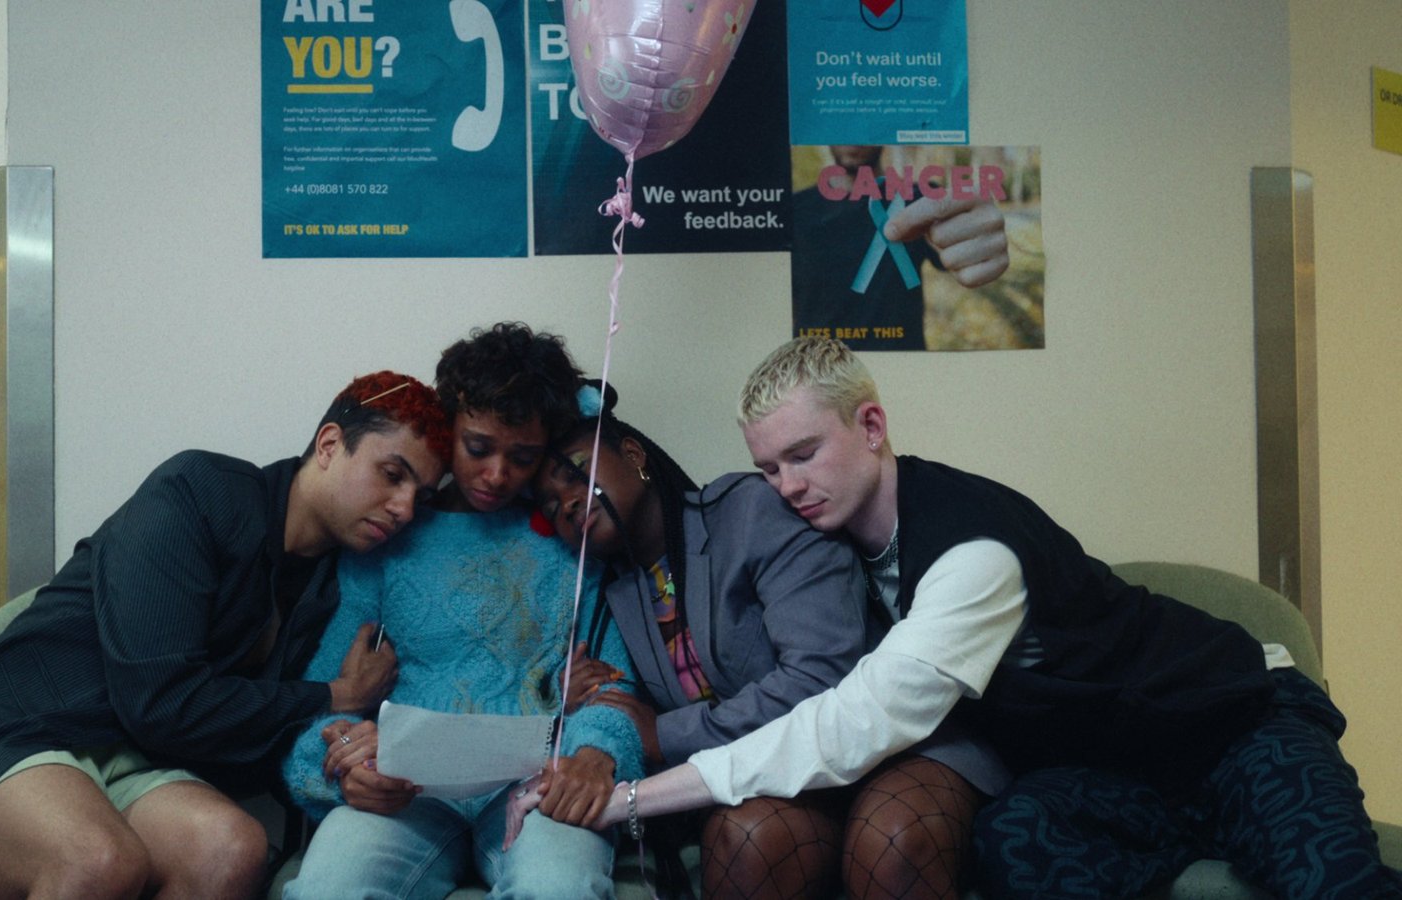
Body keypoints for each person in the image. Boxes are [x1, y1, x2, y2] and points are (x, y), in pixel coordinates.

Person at [573, 336, 1402, 900]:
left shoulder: (974, 551)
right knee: (1015, 846)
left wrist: (635, 798)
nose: (786, 486)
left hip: (1232, 723)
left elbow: (850, 726)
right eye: (768, 468)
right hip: (1116, 774)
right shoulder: (828, 547)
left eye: (804, 455)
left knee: (1337, 889)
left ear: (871, 426)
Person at [0, 371, 452, 899]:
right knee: (97, 860)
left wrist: (349, 752)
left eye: (418, 496)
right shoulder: (200, 490)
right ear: (328, 445)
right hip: (12, 730)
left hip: (130, 759)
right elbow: (161, 702)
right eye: (390, 473)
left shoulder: (330, 584)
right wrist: (335, 697)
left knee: (231, 849)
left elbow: (250, 743)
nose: (402, 507)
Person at [532, 381, 1009, 899]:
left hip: (893, 748)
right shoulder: (616, 593)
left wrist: (664, 734)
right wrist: (578, 693)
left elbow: (820, 677)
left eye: (576, 474)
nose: (568, 503)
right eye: (551, 505)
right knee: (746, 840)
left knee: (890, 841)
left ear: (632, 454)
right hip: (773, 781)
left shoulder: (750, 510)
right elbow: (622, 708)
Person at [281, 323, 644, 900]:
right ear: (448, 428)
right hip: (408, 787)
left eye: (522, 457)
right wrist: (341, 762)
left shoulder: (570, 539)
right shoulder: (387, 535)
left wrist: (597, 752)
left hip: (537, 782)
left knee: (561, 887)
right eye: (478, 448)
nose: (496, 474)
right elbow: (321, 703)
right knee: (329, 887)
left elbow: (614, 693)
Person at [791, 145, 1010, 351]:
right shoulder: (793, 210)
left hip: (904, 368)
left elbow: (969, 251)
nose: (853, 137)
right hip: (816, 374)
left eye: (866, 122)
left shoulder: (919, 200)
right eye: (843, 122)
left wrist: (984, 241)